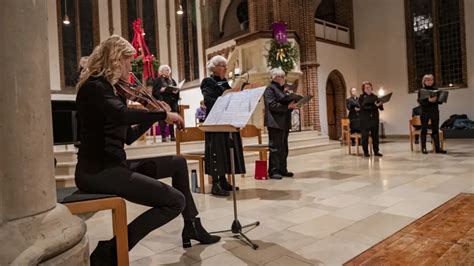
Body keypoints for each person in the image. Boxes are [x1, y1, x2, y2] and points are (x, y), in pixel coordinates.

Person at [75, 35, 220, 265]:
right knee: (174, 201)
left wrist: (153, 116)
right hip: (97, 172)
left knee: (177, 163)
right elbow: (122, 115)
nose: (130, 68)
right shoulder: (95, 88)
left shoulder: (111, 91)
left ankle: (192, 225)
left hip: (115, 165)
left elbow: (128, 136)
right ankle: (112, 250)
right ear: (116, 60)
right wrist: (163, 114)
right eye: (128, 62)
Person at [200, 55, 245, 196]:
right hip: (214, 122)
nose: (225, 69)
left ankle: (223, 180)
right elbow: (208, 100)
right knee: (216, 150)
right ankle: (216, 184)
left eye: (226, 66)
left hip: (226, 121)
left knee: (225, 150)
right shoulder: (208, 81)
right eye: (222, 66)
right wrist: (225, 99)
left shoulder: (224, 82)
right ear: (214, 68)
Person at [264, 68, 298, 179]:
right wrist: (287, 106)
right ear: (275, 77)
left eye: (284, 76)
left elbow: (285, 105)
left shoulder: (282, 90)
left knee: (284, 148)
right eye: (282, 76)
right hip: (275, 123)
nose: (284, 79)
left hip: (284, 122)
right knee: (275, 148)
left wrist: (292, 106)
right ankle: (274, 171)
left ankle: (283, 169)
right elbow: (272, 105)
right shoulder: (270, 89)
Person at [417, 74, 447, 154]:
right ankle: (423, 148)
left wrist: (437, 99)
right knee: (424, 129)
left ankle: (437, 148)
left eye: (431, 80)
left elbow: (440, 102)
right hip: (425, 112)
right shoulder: (421, 90)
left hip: (434, 111)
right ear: (424, 81)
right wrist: (429, 101)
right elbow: (420, 102)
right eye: (427, 80)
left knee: (435, 129)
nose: (430, 81)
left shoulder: (436, 90)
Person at [152, 64, 180, 142]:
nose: (168, 71)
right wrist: (161, 90)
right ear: (161, 71)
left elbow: (176, 90)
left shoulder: (172, 80)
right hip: (163, 102)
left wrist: (176, 91)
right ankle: (163, 136)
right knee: (163, 119)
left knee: (172, 119)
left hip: (172, 102)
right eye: (166, 69)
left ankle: (172, 136)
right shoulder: (158, 80)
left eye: (168, 70)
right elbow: (154, 92)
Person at [359, 81, 384, 157]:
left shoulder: (375, 97)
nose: (368, 88)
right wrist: (375, 106)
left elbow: (381, 108)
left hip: (374, 120)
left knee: (375, 136)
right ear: (363, 89)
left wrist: (380, 105)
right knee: (365, 137)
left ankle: (376, 151)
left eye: (369, 87)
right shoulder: (361, 97)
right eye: (366, 87)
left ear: (371, 88)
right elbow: (362, 108)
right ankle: (366, 152)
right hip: (365, 120)